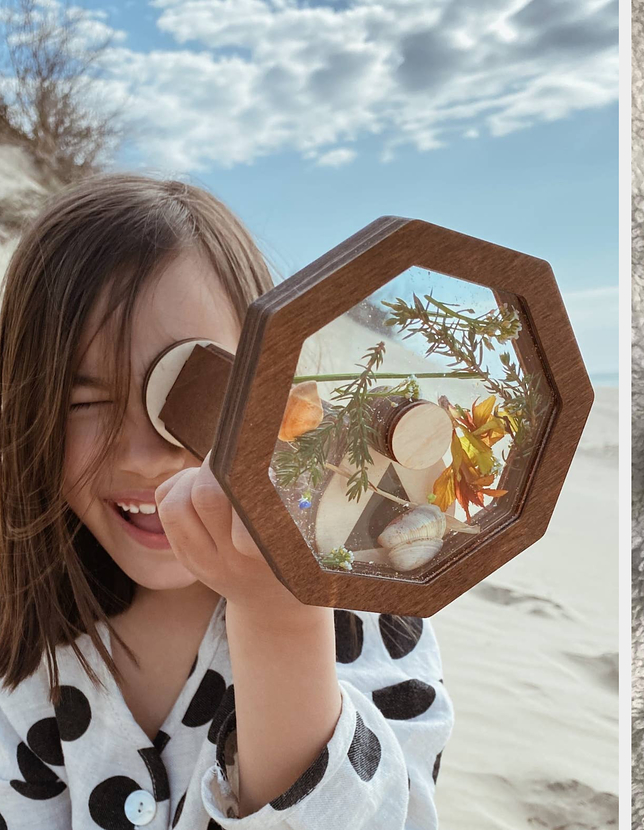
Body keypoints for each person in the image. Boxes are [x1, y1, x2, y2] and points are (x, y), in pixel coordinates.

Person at [0, 174, 452, 829]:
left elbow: (392, 814)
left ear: (280, 387)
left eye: (194, 387)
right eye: (84, 401)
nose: (143, 454)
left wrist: (280, 615)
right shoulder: (25, 634)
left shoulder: (367, 611)